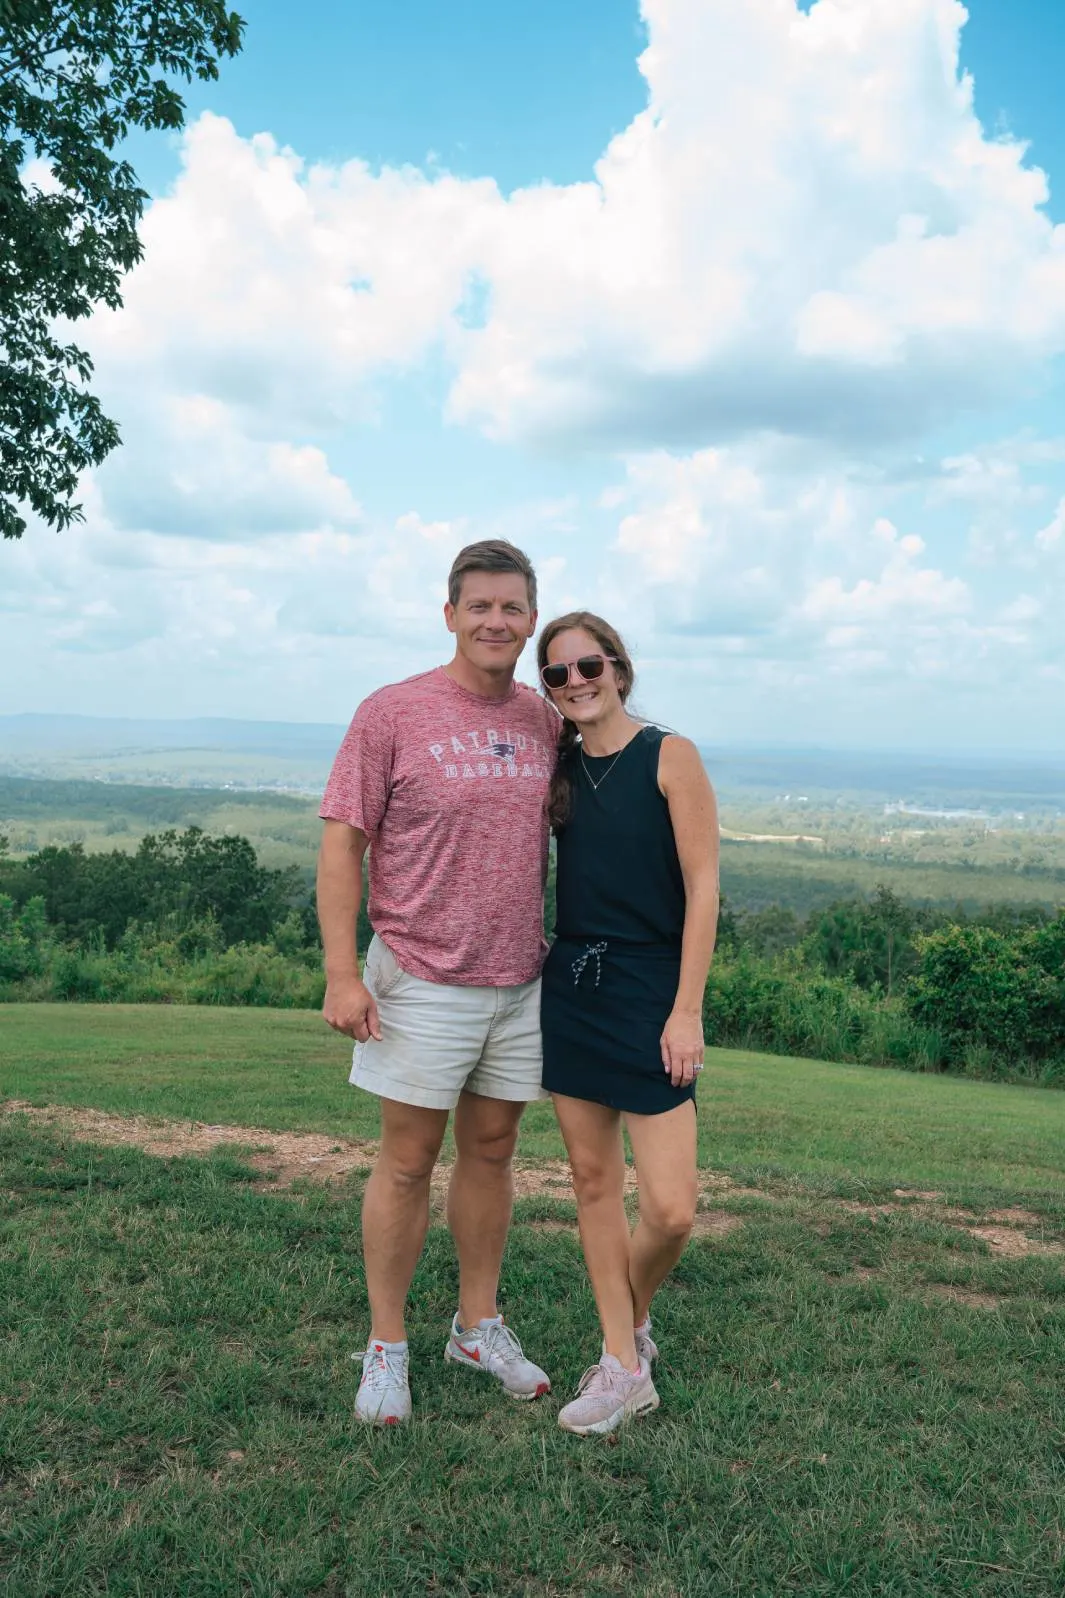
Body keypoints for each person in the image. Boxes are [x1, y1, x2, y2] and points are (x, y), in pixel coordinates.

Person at [317, 540, 559, 1426]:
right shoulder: (392, 712)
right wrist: (343, 973)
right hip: (419, 975)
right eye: (480, 605)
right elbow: (343, 843)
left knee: (493, 1152)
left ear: (530, 619)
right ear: (450, 613)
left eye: (513, 608)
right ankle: (386, 1347)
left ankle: (475, 1324)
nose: (497, 621)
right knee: (409, 1159)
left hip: (518, 977)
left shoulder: (543, 720)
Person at [536, 612, 720, 1437]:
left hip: (652, 988)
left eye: (589, 664)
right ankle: (621, 1364)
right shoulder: (558, 764)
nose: (576, 681)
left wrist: (686, 1010)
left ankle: (629, 1324)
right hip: (572, 985)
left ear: (618, 666)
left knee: (673, 1209)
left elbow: (704, 886)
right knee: (592, 1184)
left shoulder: (668, 755)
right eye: (558, 674)